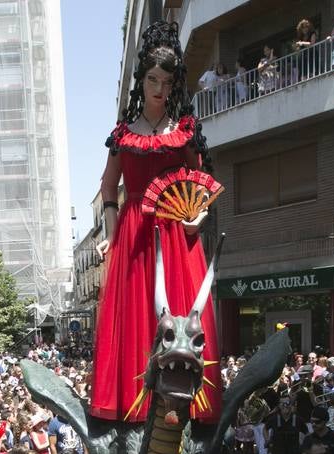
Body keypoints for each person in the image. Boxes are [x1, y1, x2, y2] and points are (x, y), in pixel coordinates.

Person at [89, 21, 222, 425]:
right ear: (141, 81)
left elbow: (199, 188)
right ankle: (135, 401)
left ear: (174, 84)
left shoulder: (184, 132)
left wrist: (196, 218)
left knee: (179, 311)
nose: (159, 89)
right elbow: (109, 189)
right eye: (152, 79)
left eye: (166, 81)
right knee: (135, 314)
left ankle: (186, 402)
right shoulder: (122, 136)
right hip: (133, 233)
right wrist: (111, 234)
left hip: (174, 230)